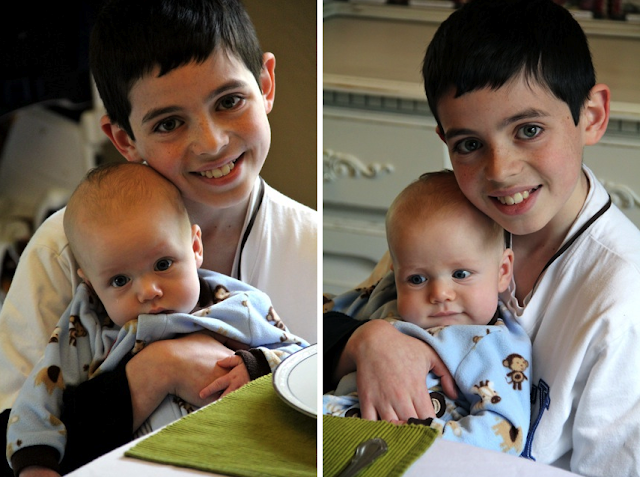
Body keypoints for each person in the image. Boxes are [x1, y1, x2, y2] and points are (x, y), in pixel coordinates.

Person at [324, 0, 640, 475]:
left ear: (591, 115)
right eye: (469, 145)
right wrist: (364, 341)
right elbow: (337, 320)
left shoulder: (624, 303)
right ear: (445, 140)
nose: (500, 170)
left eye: (529, 130)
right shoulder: (448, 220)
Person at [0, 0, 316, 474]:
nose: (211, 142)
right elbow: (19, 434)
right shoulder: (63, 247)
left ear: (266, 84)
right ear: (124, 139)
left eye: (229, 101)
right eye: (169, 123)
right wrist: (153, 372)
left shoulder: (311, 244)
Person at [6, 162, 307, 476]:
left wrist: (255, 365)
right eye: (120, 281)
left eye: (163, 264)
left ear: (195, 247)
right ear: (92, 285)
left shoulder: (237, 305)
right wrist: (36, 463)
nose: (148, 291)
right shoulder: (85, 328)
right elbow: (37, 400)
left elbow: (300, 362)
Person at [324, 171, 531, 455]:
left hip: (403, 449)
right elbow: (320, 325)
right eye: (417, 279)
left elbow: (504, 435)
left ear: (502, 271)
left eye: (460, 274)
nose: (439, 294)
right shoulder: (387, 297)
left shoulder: (492, 344)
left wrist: (419, 441)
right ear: (395, 274)